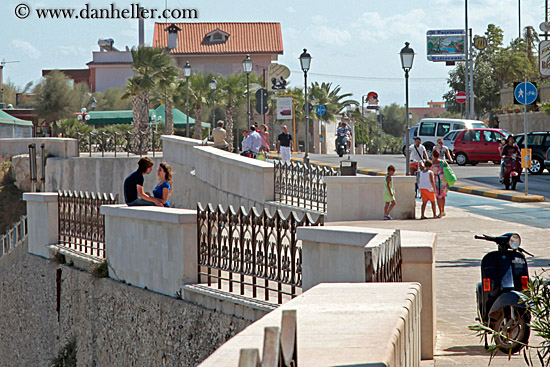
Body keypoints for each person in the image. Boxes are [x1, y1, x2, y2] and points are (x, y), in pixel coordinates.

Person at [431, 149, 448, 218]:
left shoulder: (432, 163)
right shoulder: (443, 162)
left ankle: (440, 211)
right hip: (443, 180)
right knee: (443, 195)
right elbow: (447, 169)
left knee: (438, 196)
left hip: (435, 180)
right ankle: (443, 210)